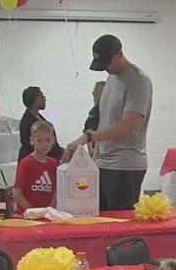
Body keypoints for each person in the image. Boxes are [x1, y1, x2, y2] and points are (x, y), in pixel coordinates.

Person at [63, 35, 152, 211]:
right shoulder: (112, 78)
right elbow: (105, 120)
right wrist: (94, 158)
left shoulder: (138, 82)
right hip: (104, 162)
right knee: (100, 221)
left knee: (118, 223)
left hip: (125, 166)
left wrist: (86, 137)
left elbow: (127, 127)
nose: (106, 70)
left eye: (107, 64)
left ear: (119, 54)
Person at [13, 120, 58, 215]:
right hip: (27, 216)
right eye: (39, 140)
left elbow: (55, 190)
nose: (44, 144)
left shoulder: (53, 163)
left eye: (48, 140)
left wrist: (50, 209)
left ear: (53, 140)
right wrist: (33, 211)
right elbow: (17, 193)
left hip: (47, 215)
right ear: (32, 141)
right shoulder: (26, 163)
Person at [18, 86, 64, 162]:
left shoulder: (39, 117)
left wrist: (60, 151)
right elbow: (37, 146)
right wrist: (59, 152)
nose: (45, 99)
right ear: (36, 99)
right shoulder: (27, 122)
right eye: (42, 96)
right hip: (34, 162)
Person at [83, 81, 105, 159]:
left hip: (97, 151)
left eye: (94, 91)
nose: (92, 93)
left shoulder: (97, 111)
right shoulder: (97, 110)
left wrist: (92, 152)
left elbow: (90, 131)